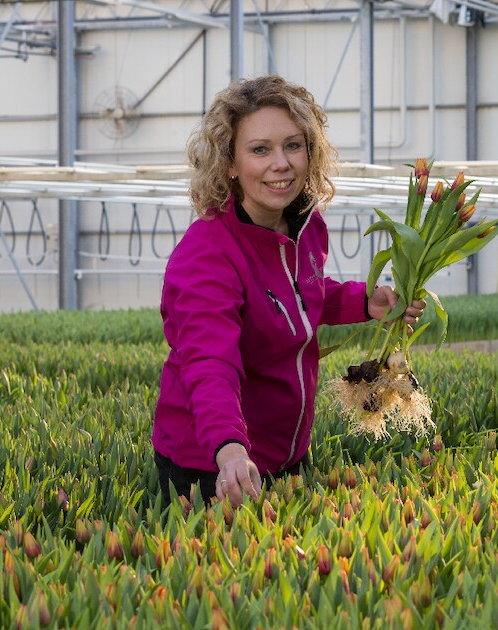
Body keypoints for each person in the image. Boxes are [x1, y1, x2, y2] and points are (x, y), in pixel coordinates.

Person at [153, 75, 424, 506]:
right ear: (230, 163)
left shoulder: (305, 226)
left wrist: (363, 302)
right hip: (215, 465)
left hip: (285, 454)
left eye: (293, 145)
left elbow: (298, 297)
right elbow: (209, 363)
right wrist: (229, 449)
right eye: (260, 149)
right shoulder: (206, 254)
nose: (281, 163)